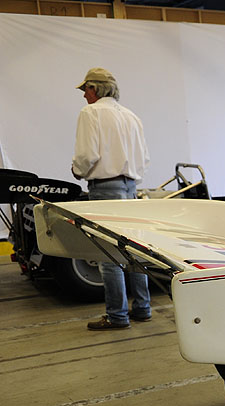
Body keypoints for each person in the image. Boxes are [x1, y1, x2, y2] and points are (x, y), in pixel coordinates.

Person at [71, 67, 151, 330]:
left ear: (95, 89)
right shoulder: (131, 116)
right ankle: (142, 307)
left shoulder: (91, 113)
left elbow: (87, 155)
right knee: (133, 251)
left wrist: (77, 170)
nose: (84, 96)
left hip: (105, 188)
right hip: (131, 188)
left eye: (86, 90)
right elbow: (144, 159)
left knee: (108, 255)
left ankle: (117, 316)